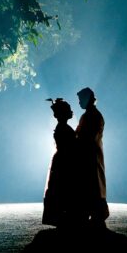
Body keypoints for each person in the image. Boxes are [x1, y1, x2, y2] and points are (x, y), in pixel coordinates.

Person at [41, 98, 82, 228]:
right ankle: (63, 218)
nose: (71, 112)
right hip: (65, 161)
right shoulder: (63, 128)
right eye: (69, 110)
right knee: (63, 188)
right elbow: (70, 146)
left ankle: (62, 218)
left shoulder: (62, 127)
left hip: (62, 160)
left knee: (60, 188)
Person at [75, 87, 109, 226]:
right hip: (89, 156)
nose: (79, 103)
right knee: (91, 185)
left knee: (93, 184)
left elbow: (88, 137)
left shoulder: (93, 116)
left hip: (91, 157)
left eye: (80, 99)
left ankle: (96, 214)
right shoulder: (89, 115)